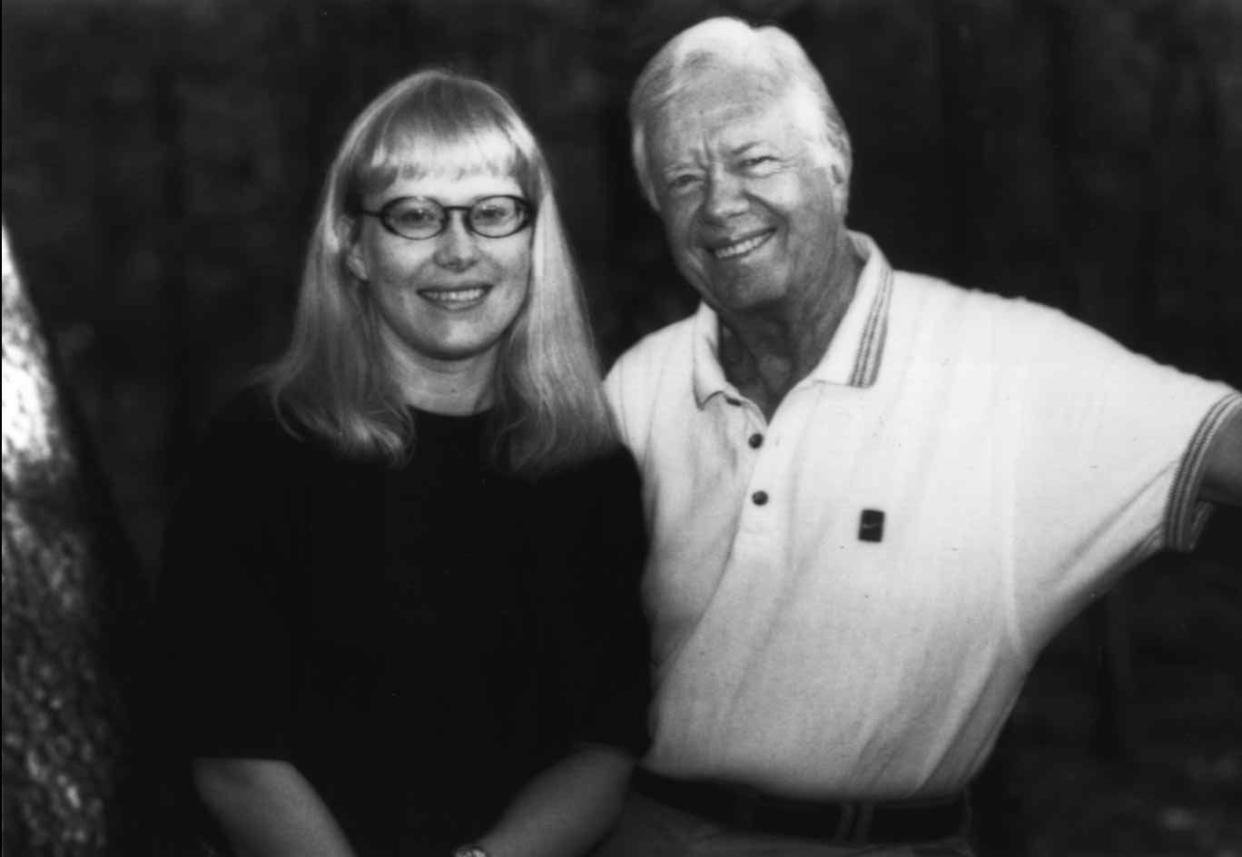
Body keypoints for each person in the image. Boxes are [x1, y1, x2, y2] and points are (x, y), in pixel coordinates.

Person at [597, 16, 1242, 857]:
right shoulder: (637, 386)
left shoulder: (1002, 362)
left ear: (835, 162)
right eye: (682, 179)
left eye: (756, 160)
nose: (719, 204)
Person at [155, 69, 651, 857]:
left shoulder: (590, 469)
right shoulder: (261, 446)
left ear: (532, 237)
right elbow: (232, 753)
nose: (459, 251)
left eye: (493, 213)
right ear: (353, 244)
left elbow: (603, 746)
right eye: (415, 215)